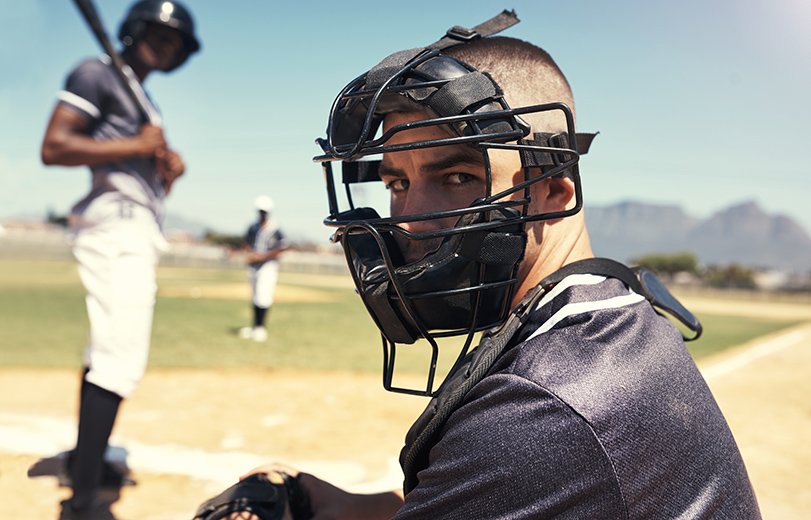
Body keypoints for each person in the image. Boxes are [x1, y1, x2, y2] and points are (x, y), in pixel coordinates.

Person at [228, 10, 760, 520]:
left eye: (458, 176)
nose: (409, 221)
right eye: (396, 183)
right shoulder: (604, 316)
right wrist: (356, 509)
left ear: (553, 189)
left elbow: (526, 461)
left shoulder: (542, 407)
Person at [39, 1, 200, 518]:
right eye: (156, 32)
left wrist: (166, 170)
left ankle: (87, 467)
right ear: (131, 31)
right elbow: (55, 146)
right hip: (115, 225)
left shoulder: (142, 100)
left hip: (137, 224)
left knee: (108, 350)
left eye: (175, 40)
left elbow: (141, 176)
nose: (165, 43)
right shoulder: (96, 73)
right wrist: (138, 142)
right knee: (120, 355)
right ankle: (83, 499)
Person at [239, 195, 290, 342]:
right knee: (255, 296)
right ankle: (255, 326)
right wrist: (249, 254)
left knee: (264, 296)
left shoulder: (275, 228)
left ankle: (261, 327)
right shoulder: (253, 227)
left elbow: (281, 248)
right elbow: (246, 242)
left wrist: (262, 257)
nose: (262, 214)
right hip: (253, 266)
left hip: (267, 266)